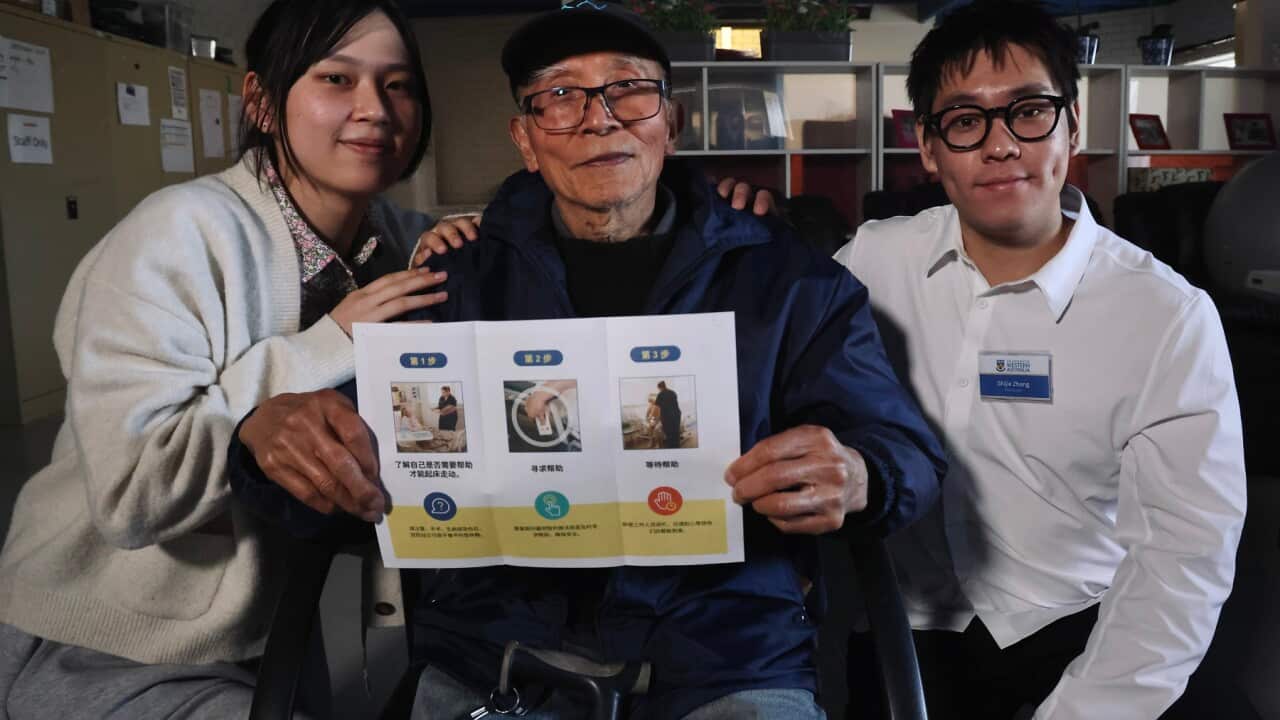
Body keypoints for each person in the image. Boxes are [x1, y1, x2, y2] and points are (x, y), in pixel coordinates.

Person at [230, 4, 946, 718]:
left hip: (726, 664)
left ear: (672, 122)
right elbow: (338, 477)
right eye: (560, 96)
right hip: (492, 664)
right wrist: (269, 446)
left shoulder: (790, 283)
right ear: (525, 139)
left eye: (628, 90)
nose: (599, 120)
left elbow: (904, 450)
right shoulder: (451, 285)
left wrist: (860, 474)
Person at [0, 1, 448, 717]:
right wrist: (332, 340)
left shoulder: (396, 239)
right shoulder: (177, 233)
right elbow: (131, 495)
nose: (375, 109)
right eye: (336, 79)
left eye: (398, 85)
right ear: (262, 102)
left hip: (267, 633)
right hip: (105, 639)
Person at [831, 2, 1246, 718]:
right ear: (928, 147)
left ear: (1072, 126)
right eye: (965, 121)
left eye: (1028, 112)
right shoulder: (873, 262)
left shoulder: (1165, 316)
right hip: (902, 627)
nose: (1000, 146)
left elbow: (1182, 561)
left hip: (1080, 628)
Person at [655, 380, 681, 449]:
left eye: (658, 388)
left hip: (667, 417)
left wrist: (658, 419)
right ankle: (677, 447)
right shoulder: (673, 392)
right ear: (665, 385)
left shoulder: (660, 394)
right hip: (676, 414)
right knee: (676, 433)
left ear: (659, 387)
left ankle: (671, 448)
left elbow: (658, 408)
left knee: (669, 434)